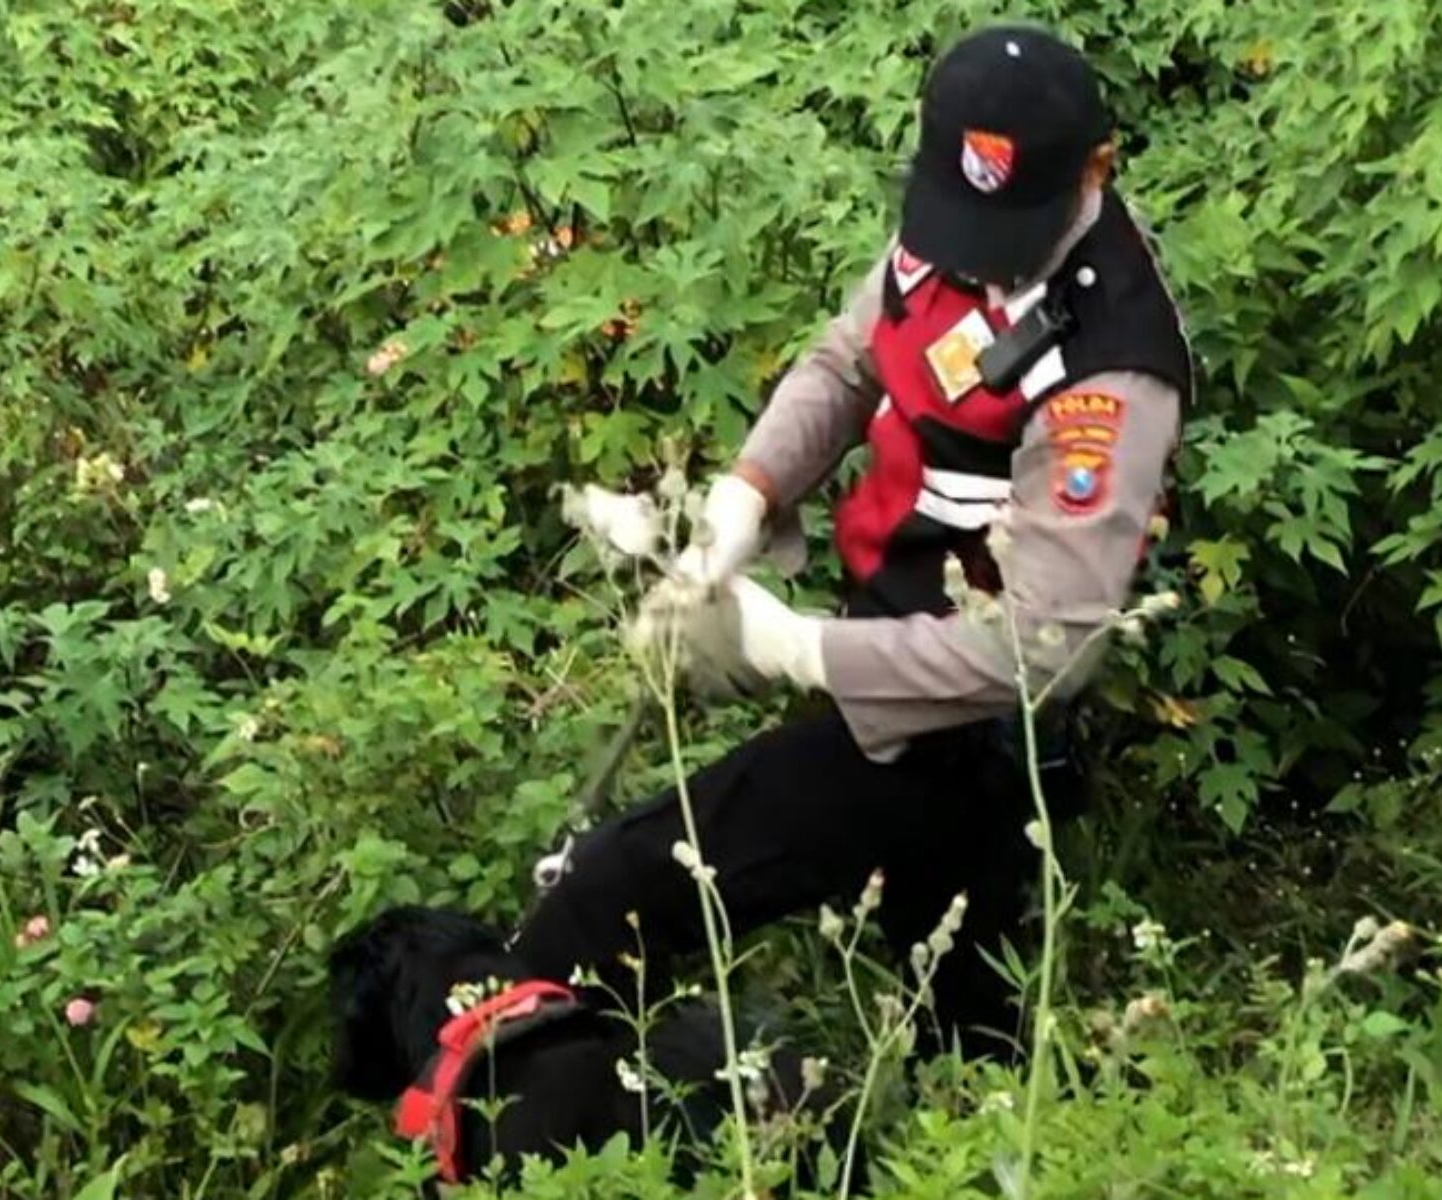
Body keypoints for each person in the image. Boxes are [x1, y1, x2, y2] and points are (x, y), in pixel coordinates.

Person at [510, 23, 1194, 1064]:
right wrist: (745, 497)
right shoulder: (962, 227)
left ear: (1094, 171)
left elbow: (1043, 645)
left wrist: (792, 650)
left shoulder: (1111, 369)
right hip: (883, 633)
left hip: (960, 723)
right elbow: (848, 360)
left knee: (613, 893)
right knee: (957, 1014)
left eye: (999, 229)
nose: (970, 253)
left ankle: (543, 1113)